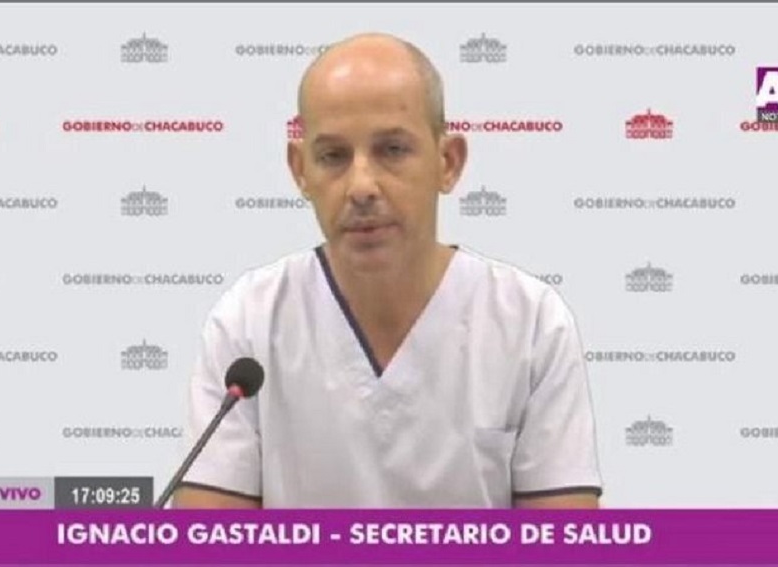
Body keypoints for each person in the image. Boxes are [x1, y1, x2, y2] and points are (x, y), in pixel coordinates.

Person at [173, 32, 603, 509]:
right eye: (333, 156)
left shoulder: (531, 323)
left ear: (448, 162)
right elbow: (208, 537)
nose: (361, 186)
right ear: (300, 169)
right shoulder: (249, 321)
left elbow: (564, 539)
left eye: (393, 150)